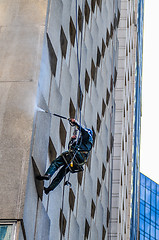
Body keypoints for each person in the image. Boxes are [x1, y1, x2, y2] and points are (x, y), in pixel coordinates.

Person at [37, 118, 93, 194]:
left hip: (75, 156)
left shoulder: (88, 137)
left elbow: (84, 131)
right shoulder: (84, 144)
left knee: (57, 163)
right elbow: (70, 147)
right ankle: (49, 189)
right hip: (76, 163)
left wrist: (75, 123)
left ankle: (48, 174)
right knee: (61, 174)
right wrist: (72, 140)